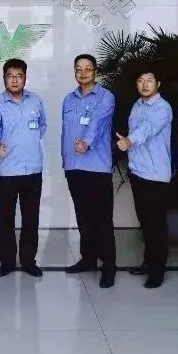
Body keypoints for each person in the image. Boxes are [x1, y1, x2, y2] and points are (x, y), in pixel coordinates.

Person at [0, 58, 47, 278]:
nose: (14, 80)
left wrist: (27, 142)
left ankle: (29, 261)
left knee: (31, 219)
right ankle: (7, 263)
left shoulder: (36, 100)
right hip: (7, 171)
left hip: (32, 169)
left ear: (25, 78)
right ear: (4, 78)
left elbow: (42, 125)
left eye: (19, 76)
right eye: (10, 76)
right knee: (6, 220)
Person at [61, 54, 117, 289]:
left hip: (97, 167)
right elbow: (65, 132)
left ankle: (109, 266)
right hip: (74, 167)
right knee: (83, 216)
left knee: (102, 218)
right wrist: (66, 159)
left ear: (96, 71)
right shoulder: (68, 99)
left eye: (88, 68)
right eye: (79, 69)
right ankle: (88, 259)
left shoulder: (106, 97)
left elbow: (97, 123)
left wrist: (86, 143)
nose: (83, 73)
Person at [117, 67, 174, 289]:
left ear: (158, 84)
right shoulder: (137, 105)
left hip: (156, 175)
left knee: (156, 224)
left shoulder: (163, 107)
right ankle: (149, 262)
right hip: (138, 172)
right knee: (145, 221)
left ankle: (157, 270)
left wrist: (129, 141)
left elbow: (147, 130)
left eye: (149, 80)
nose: (145, 84)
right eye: (140, 80)